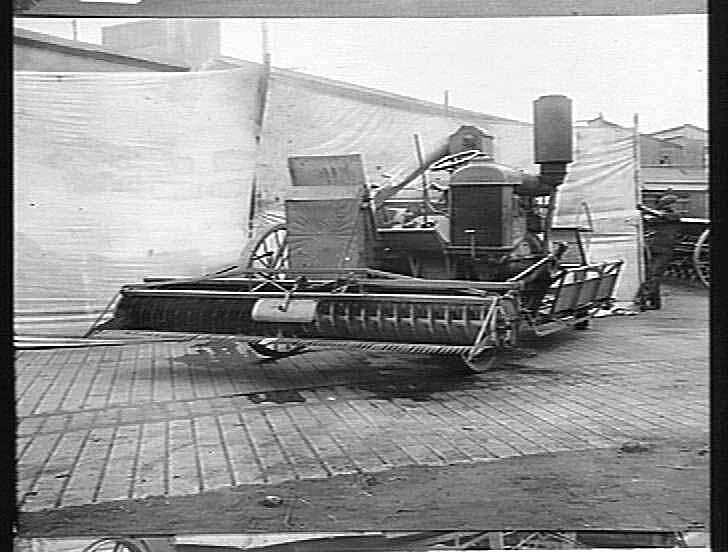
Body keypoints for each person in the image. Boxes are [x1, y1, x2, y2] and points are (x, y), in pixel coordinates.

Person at [636, 193, 682, 310]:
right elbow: (651, 218)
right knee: (652, 275)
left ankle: (644, 298)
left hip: (664, 249)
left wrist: (644, 209)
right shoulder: (664, 217)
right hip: (657, 248)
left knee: (654, 274)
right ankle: (654, 302)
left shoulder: (674, 215)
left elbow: (660, 215)